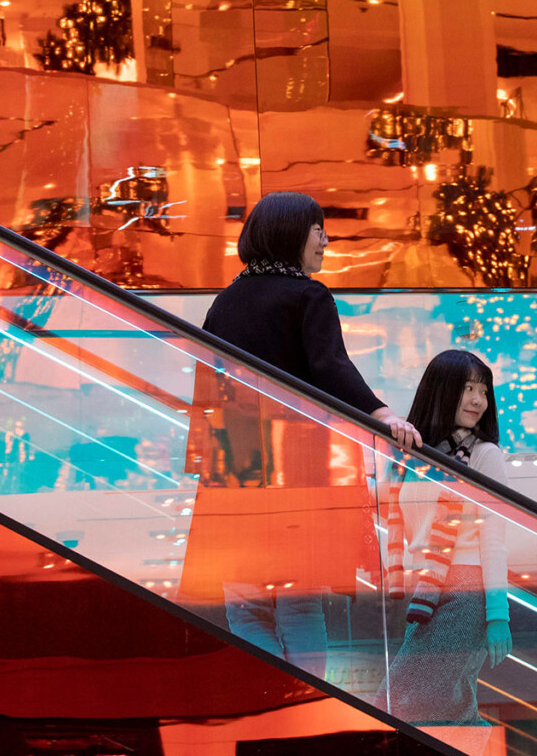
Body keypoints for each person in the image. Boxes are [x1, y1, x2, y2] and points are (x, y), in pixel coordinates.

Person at [179, 191, 420, 678]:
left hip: (235, 469)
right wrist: (381, 412)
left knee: (243, 602)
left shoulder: (225, 302)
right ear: (291, 233)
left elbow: (210, 391)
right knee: (299, 601)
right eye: (318, 230)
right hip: (298, 470)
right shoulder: (308, 295)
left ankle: (271, 692)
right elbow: (331, 366)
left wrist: (209, 468)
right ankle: (307, 695)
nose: (326, 241)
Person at [378, 349, 511, 733]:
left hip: (466, 591)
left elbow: (494, 538)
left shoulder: (485, 456)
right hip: (426, 592)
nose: (477, 401)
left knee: (398, 701)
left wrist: (498, 616)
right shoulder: (416, 456)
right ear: (441, 391)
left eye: (483, 391)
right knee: (448, 705)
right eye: (468, 388)